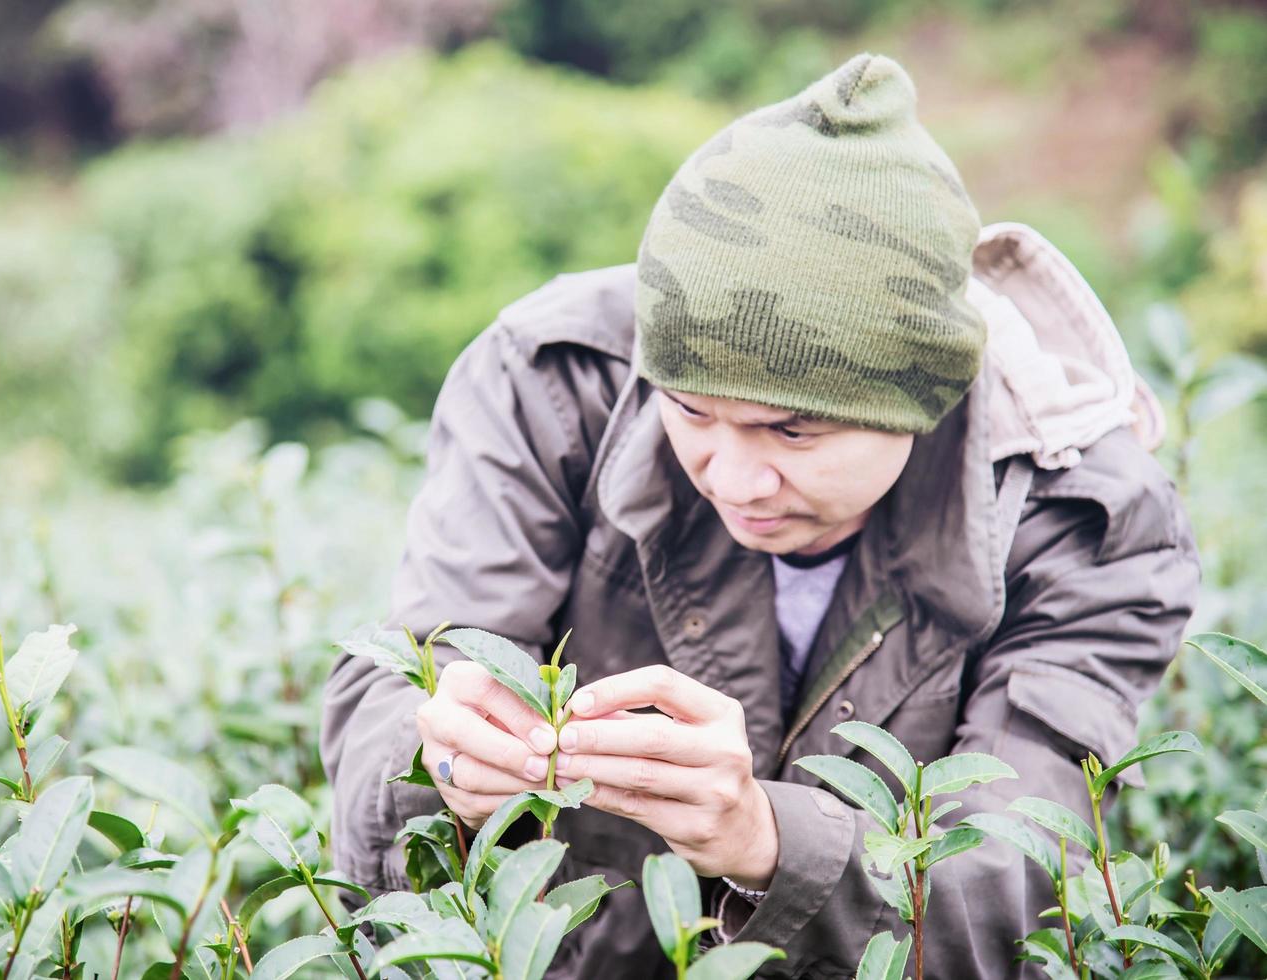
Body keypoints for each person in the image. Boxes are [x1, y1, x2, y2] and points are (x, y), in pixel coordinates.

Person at [320, 52, 1199, 978]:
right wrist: (444, 768)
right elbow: (404, 683)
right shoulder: (552, 383)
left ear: (924, 401)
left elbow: (1025, 883)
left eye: (793, 431)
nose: (735, 479)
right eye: (691, 411)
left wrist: (763, 838)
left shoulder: (1089, 514)